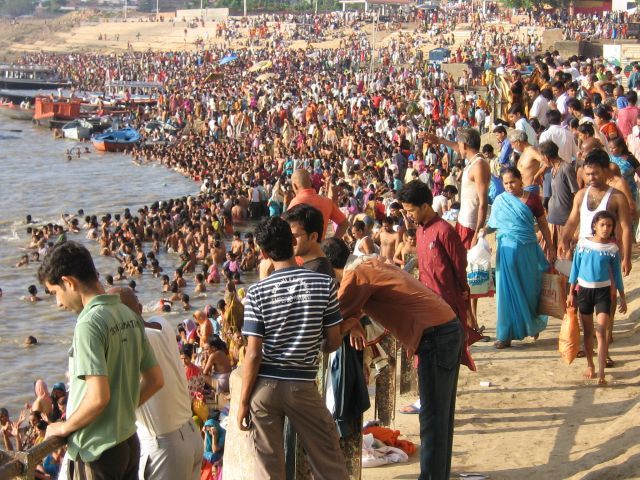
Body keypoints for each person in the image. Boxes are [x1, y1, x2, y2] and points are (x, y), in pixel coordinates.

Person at [321, 237, 462, 480]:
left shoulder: (356, 276)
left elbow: (329, 323)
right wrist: (354, 321)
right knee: (440, 416)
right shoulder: (368, 264)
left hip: (436, 337)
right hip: (444, 329)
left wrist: (351, 321)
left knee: (433, 419)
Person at [37, 241, 163, 480]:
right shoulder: (128, 314)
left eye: (55, 293)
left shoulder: (88, 324)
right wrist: (121, 410)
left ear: (69, 282)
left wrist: (63, 427)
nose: (58, 304)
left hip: (96, 450)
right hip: (128, 441)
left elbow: (98, 397)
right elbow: (155, 380)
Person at [237, 217, 347, 480]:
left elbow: (253, 353)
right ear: (292, 241)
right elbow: (333, 341)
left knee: (270, 469)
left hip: (264, 389)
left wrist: (242, 403)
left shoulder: (256, 292)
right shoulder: (324, 284)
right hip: (302, 385)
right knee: (329, 461)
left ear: (263, 253)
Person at [108, 286, 203, 480]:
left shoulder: (133, 340)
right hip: (191, 436)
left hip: (166, 449)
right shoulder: (161, 324)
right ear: (140, 308)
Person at [487, 167, 554, 349]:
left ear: (520, 181)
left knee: (530, 289)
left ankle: (532, 323)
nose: (509, 186)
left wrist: (551, 247)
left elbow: (543, 225)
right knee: (505, 292)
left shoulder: (532, 200)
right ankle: (505, 336)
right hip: (506, 252)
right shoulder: (500, 201)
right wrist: (481, 233)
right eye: (506, 183)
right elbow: (493, 225)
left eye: (513, 182)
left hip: (528, 251)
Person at [567, 211, 627, 385]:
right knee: (587, 333)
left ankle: (601, 372)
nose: (606, 229)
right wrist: (571, 293)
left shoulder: (612, 249)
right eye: (602, 225)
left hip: (603, 293)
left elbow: (616, 275)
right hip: (584, 292)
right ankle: (590, 365)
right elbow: (575, 270)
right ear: (594, 226)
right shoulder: (583, 244)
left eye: (609, 226)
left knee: (601, 332)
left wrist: (622, 297)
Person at [428, 127, 490, 248]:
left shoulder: (479, 165)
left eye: (459, 144)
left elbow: (483, 202)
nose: (457, 147)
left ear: (464, 145)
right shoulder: (473, 161)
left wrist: (477, 233)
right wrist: (440, 140)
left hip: (470, 226)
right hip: (464, 222)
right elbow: (457, 147)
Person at [539, 141, 579, 255]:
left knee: (565, 258)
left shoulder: (566, 168)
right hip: (553, 219)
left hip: (565, 221)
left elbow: (576, 194)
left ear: (546, 157)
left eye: (541, 157)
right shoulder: (552, 170)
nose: (541, 160)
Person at [288, 169, 349, 239]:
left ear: (294, 186)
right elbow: (344, 223)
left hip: (301, 249)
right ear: (311, 182)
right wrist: (333, 241)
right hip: (320, 247)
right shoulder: (327, 202)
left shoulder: (295, 203)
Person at [283, 204, 334, 275]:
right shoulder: (317, 267)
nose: (290, 241)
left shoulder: (315, 273)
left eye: (294, 236)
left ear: (313, 237)